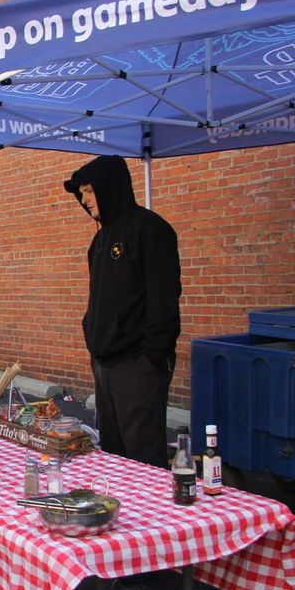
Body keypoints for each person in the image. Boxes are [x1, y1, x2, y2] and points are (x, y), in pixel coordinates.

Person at [63, 155, 182, 468]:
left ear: (109, 187)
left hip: (137, 365)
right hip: (105, 362)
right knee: (114, 454)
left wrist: (151, 358)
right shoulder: (101, 238)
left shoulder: (149, 230)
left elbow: (164, 301)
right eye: (82, 193)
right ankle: (122, 513)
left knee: (143, 456)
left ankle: (155, 516)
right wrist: (93, 335)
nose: (84, 200)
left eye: (89, 191)